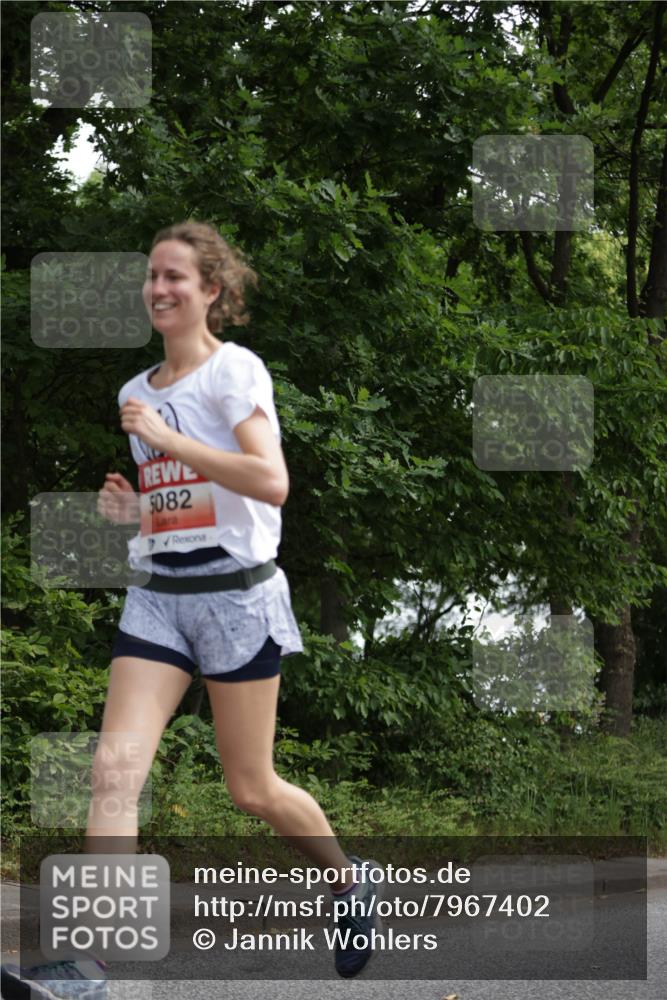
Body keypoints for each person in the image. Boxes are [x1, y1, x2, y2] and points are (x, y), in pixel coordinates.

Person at [1, 222, 382, 999]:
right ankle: (87, 968)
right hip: (159, 599)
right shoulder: (135, 393)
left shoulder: (233, 373)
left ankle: (348, 882)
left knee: (252, 787)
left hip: (236, 601)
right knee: (113, 770)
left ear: (212, 291)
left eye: (176, 276)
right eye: (151, 276)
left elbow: (268, 482)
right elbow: (182, 504)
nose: (159, 288)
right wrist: (131, 510)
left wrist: (167, 442)